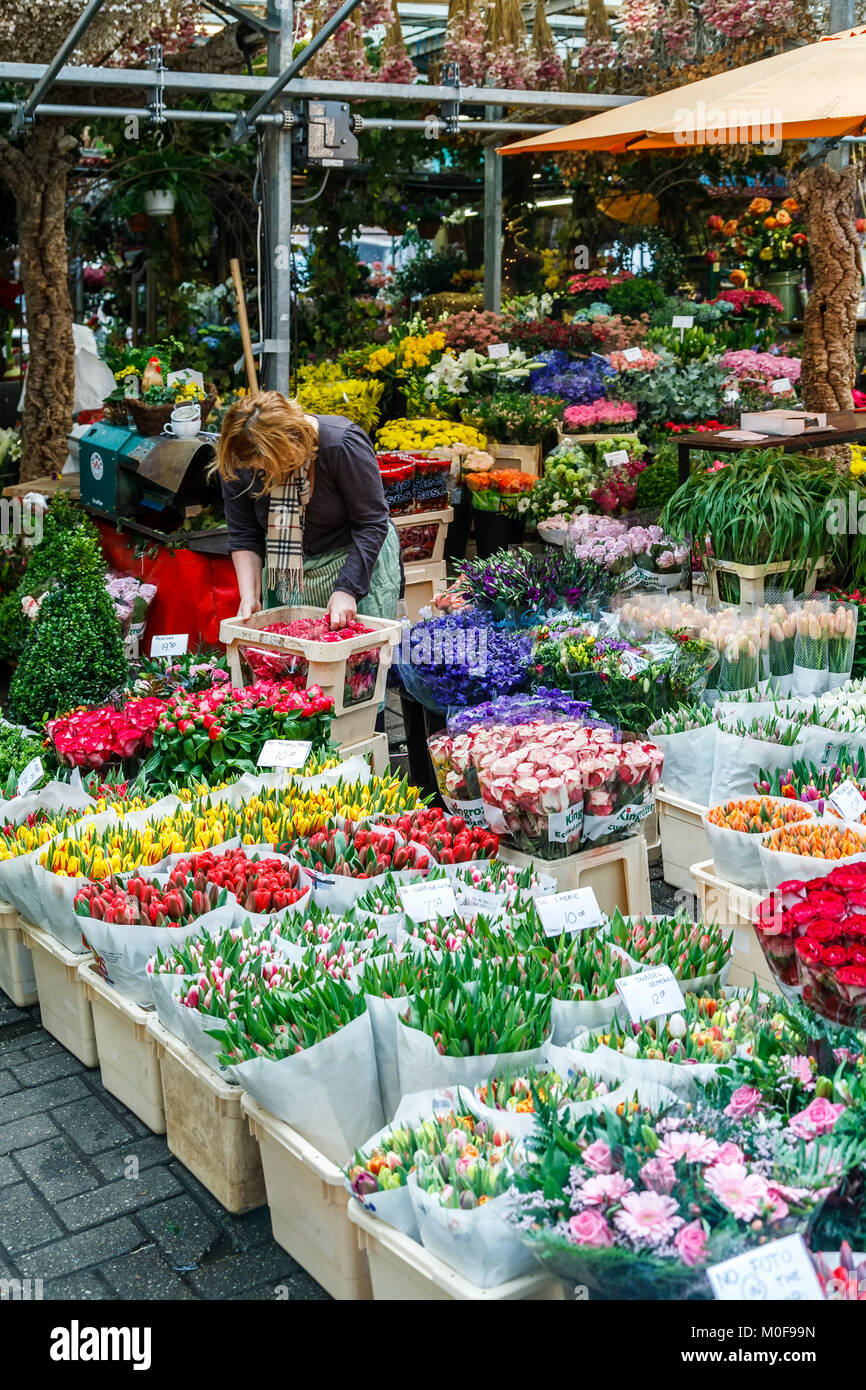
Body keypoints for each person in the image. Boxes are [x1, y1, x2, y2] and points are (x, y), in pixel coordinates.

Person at [216, 390, 402, 627]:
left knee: (359, 656)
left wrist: (348, 590)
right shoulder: (238, 459)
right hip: (287, 572)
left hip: (355, 562)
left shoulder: (340, 444)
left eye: (266, 464)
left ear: (292, 444)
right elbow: (244, 534)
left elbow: (371, 523)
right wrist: (250, 595)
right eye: (253, 466)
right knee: (290, 658)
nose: (258, 470)